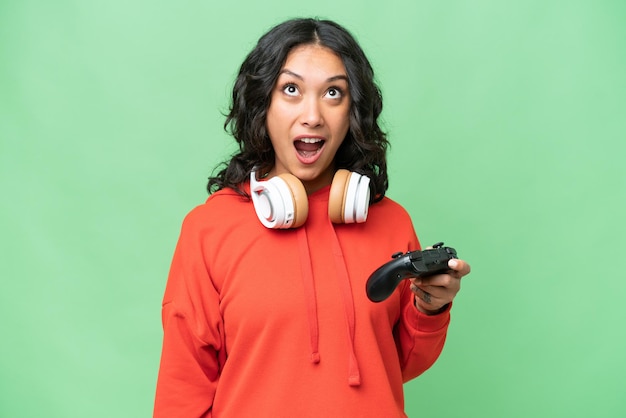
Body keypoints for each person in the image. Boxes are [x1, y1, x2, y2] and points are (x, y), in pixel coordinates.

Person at [153, 17, 471, 417]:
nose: (312, 115)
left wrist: (430, 309)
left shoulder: (391, 221)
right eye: (291, 90)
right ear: (262, 104)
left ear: (352, 111)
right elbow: (182, 390)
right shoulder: (209, 229)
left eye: (333, 93)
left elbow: (397, 364)